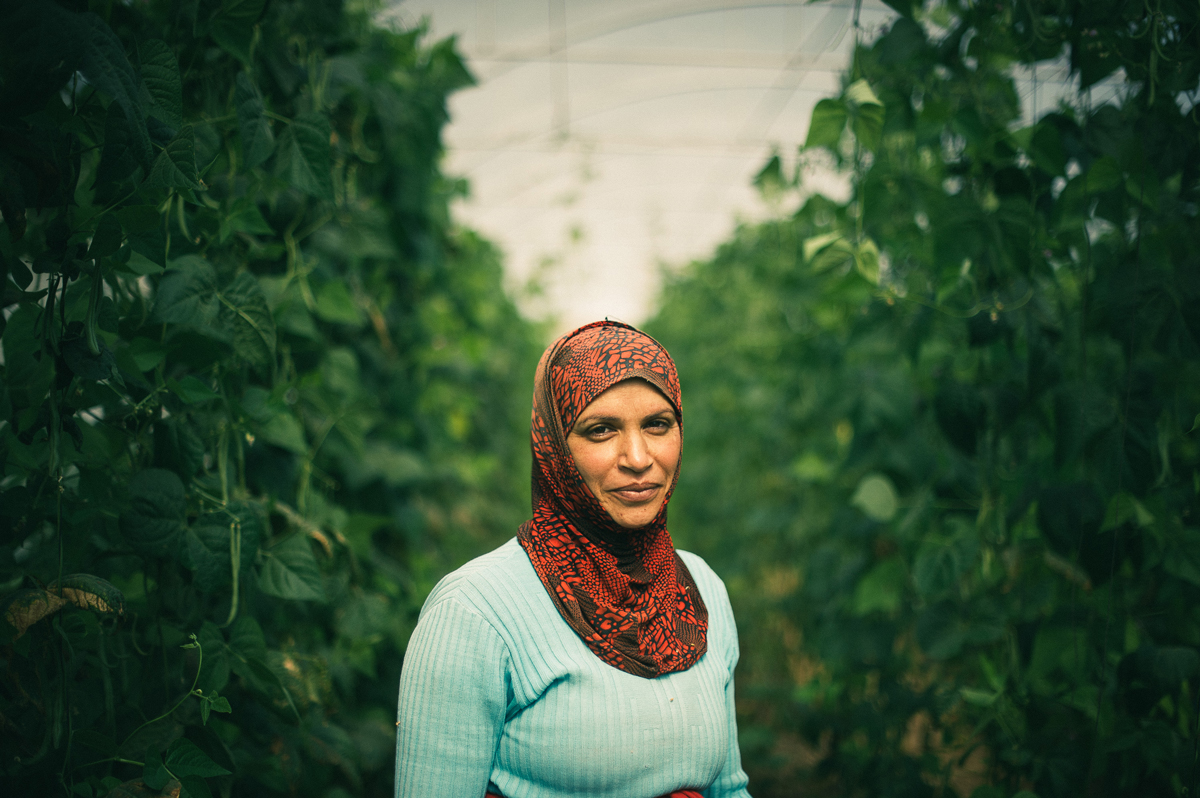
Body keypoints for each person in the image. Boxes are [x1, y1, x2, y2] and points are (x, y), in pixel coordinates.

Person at [394, 321, 751, 798]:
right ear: (555, 447)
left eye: (657, 424)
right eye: (601, 430)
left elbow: (728, 789)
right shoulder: (475, 611)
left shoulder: (700, 588)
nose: (638, 457)